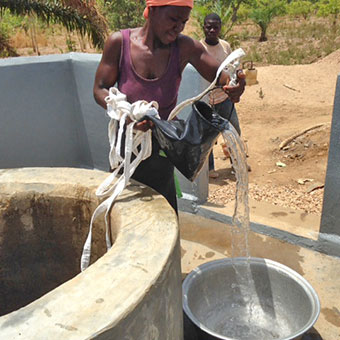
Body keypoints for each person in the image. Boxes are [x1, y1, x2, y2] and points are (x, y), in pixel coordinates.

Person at [93, 0, 245, 213]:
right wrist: (126, 115)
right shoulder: (119, 43)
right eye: (173, 19)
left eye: (183, 21)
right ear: (153, 10)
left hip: (161, 151)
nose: (179, 27)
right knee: (124, 214)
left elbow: (220, 75)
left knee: (164, 213)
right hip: (126, 150)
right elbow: (100, 89)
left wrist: (234, 83)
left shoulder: (184, 47)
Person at [200, 13, 244, 179]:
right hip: (207, 100)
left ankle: (237, 164)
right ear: (203, 27)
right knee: (208, 137)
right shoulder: (198, 48)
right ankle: (209, 168)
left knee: (233, 131)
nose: (212, 30)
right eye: (208, 26)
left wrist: (238, 75)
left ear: (220, 28)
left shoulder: (225, 46)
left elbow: (233, 66)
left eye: (215, 27)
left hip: (225, 99)